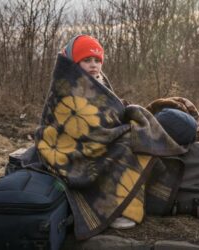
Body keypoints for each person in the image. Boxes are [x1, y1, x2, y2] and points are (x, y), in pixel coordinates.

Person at [61, 34, 136, 229]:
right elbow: (75, 121)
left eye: (97, 60)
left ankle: (127, 202)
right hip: (75, 145)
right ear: (75, 62)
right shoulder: (69, 85)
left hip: (101, 135)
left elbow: (111, 109)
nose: (93, 65)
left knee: (137, 138)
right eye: (87, 60)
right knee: (121, 147)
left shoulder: (100, 81)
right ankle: (106, 212)